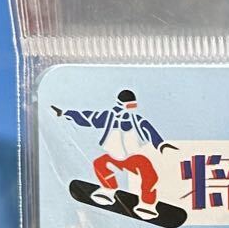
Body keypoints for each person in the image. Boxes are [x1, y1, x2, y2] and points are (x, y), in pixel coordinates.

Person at [52, 89, 176, 219]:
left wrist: (161, 145)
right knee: (100, 164)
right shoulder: (109, 118)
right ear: (121, 104)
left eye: (134, 106)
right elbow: (88, 117)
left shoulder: (137, 121)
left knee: (148, 173)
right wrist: (65, 113)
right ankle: (107, 191)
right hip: (114, 156)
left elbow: (150, 131)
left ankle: (147, 204)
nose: (132, 109)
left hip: (133, 157)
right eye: (130, 106)